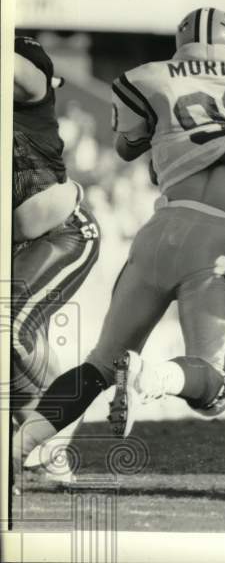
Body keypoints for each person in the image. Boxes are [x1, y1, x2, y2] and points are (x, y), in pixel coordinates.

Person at [11, 8, 225, 485]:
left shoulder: (148, 77)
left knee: (97, 363)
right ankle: (153, 378)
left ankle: (18, 444)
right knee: (217, 389)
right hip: (216, 235)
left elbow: (129, 148)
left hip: (157, 233)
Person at [10, 35, 101, 481]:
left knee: (6, 324)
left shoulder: (29, 81)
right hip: (22, 247)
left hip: (63, 234)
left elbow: (20, 71)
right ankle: (51, 443)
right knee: (16, 352)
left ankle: (51, 427)